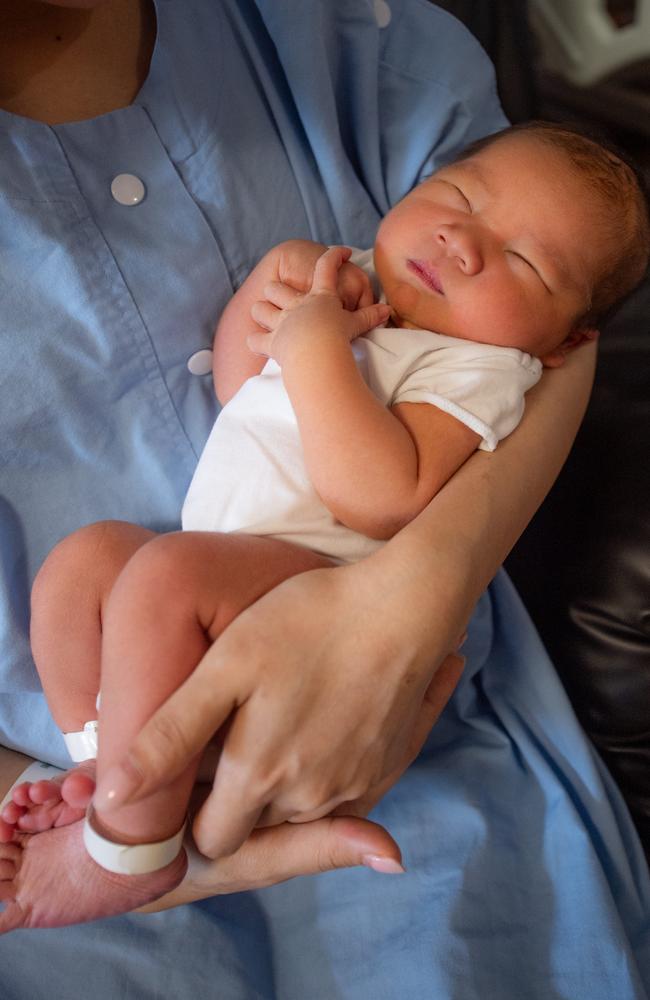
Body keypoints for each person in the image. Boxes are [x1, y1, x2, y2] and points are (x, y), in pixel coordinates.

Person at [0, 1, 648, 996]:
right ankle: (105, 760)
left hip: (311, 584)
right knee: (85, 561)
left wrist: (307, 347)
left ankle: (126, 836)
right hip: (215, 582)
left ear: (552, 344)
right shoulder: (361, 295)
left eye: (519, 261)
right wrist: (257, 320)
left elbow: (380, 492)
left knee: (159, 573)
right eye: (456, 197)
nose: (465, 242)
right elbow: (242, 409)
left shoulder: (472, 369)